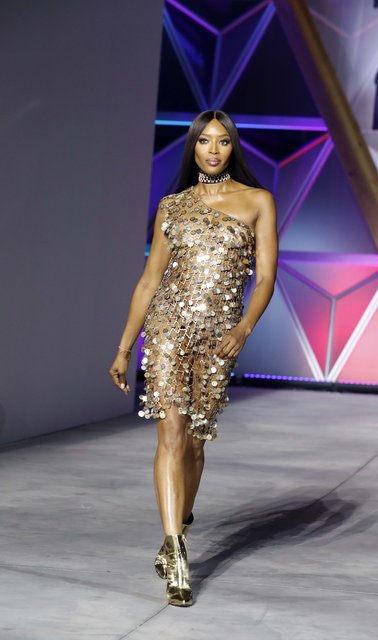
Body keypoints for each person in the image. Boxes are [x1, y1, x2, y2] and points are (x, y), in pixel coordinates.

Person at [108, 110, 278, 607]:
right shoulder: (173, 206)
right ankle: (176, 552)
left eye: (222, 142)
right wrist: (124, 348)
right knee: (170, 434)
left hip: (219, 339)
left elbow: (266, 277)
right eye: (204, 141)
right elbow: (149, 282)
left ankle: (180, 523)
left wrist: (243, 328)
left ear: (233, 147)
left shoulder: (258, 201)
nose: (213, 150)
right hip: (167, 330)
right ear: (193, 147)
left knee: (195, 446)